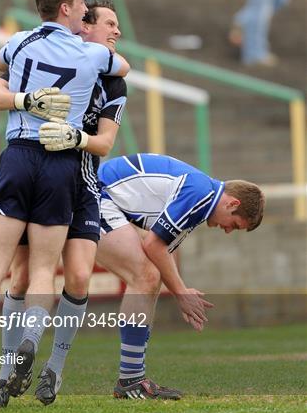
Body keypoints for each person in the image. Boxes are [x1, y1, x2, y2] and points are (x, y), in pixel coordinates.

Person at [0, 0, 130, 394]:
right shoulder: (90, 56)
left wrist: (76, 137)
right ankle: (8, 372)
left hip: (78, 178)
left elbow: (106, 142)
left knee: (75, 277)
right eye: (106, 22)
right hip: (57, 170)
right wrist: (24, 97)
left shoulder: (26, 46)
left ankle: (51, 368)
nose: (115, 32)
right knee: (26, 274)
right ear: (78, 19)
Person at [94, 153, 265, 399]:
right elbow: (153, 244)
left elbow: (160, 252)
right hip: (95, 194)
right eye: (234, 225)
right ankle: (130, 379)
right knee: (145, 276)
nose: (228, 231)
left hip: (104, 196)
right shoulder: (200, 194)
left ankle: (132, 378)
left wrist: (180, 291)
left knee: (150, 277)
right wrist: (181, 293)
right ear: (233, 204)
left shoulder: (202, 198)